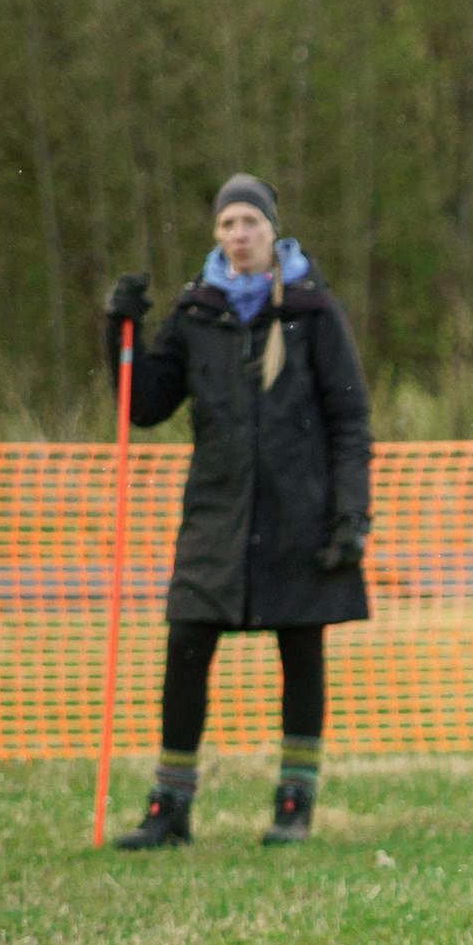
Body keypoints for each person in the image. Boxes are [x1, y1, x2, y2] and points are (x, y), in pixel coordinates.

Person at [102, 174, 373, 849]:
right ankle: (170, 808)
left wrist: (350, 515)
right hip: (216, 518)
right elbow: (144, 404)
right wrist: (120, 330)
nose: (238, 234)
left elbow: (349, 419)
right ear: (217, 235)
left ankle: (294, 801)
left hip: (299, 514)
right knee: (186, 647)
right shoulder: (197, 313)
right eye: (228, 224)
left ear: (271, 231)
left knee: (300, 649)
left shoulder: (313, 311)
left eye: (250, 221)